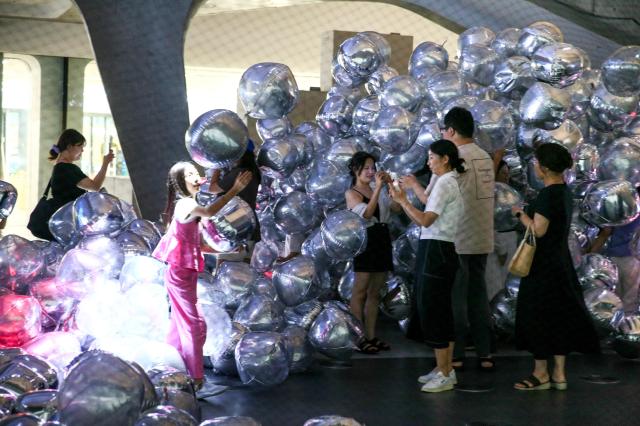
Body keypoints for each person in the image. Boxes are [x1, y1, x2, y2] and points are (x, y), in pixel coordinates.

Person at [153, 161, 252, 389]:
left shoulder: (189, 205)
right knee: (194, 324)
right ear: (180, 182)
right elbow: (209, 211)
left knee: (180, 324)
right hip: (179, 273)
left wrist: (224, 248)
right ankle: (195, 377)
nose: (196, 176)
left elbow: (195, 243)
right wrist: (235, 190)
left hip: (182, 272)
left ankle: (171, 368)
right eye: (189, 174)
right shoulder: (186, 204)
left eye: (196, 172)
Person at [511, 143, 600, 391]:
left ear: (544, 167)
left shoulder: (547, 195)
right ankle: (559, 374)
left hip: (542, 267)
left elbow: (538, 230)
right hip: (562, 263)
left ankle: (540, 374)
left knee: (538, 317)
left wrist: (520, 214)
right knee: (560, 317)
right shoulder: (565, 192)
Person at [391, 139, 465, 393]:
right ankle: (443, 367)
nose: (428, 161)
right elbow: (430, 203)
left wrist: (403, 201)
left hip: (438, 248)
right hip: (440, 248)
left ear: (445, 159)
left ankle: (445, 372)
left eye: (432, 157)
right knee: (440, 307)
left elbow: (425, 219)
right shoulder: (446, 180)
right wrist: (412, 188)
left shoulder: (446, 183)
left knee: (433, 308)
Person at [443, 107, 496, 371]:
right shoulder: (485, 157)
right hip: (483, 236)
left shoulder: (453, 158)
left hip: (459, 238)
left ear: (451, 131)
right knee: (478, 295)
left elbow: (438, 198)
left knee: (457, 299)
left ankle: (458, 353)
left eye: (444, 130)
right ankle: (485, 352)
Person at [345, 152, 398, 354]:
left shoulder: (379, 188)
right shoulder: (352, 193)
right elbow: (366, 214)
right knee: (360, 291)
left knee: (375, 292)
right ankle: (358, 337)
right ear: (355, 170)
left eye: (372, 168)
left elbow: (396, 208)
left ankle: (371, 335)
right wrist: (376, 190)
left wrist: (391, 187)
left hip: (382, 238)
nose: (370, 172)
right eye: (366, 168)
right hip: (365, 239)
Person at [34, 129, 114, 240]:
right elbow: (95, 186)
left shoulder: (58, 167)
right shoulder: (68, 168)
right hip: (69, 224)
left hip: (61, 222)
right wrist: (105, 163)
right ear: (70, 146)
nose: (82, 150)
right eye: (80, 146)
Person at [587, 187, 640, 313]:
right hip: (632, 260)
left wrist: (590, 255)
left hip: (612, 258)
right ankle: (626, 327)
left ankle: (613, 323)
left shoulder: (618, 210)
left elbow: (605, 233)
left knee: (613, 296)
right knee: (629, 298)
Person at [486, 160, 518, 301]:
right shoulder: (489, 196)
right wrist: (501, 248)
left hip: (510, 241)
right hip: (494, 247)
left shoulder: (511, 196)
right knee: (494, 288)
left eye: (508, 174)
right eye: (503, 173)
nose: (506, 177)